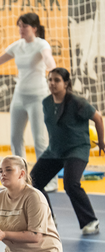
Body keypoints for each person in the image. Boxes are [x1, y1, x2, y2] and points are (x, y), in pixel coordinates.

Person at [0, 14, 58, 191]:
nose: (21, 29)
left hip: (38, 97)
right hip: (19, 97)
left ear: (34, 28)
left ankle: (50, 181)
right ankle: (21, 178)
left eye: (24, 26)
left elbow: (48, 58)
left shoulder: (41, 44)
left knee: (40, 140)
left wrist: (54, 70)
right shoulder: (17, 46)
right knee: (15, 138)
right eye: (19, 26)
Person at [30, 67, 102, 235]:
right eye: (50, 80)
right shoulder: (46, 103)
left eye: (57, 80)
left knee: (71, 184)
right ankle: (48, 218)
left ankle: (91, 221)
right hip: (54, 150)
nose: (52, 83)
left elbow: (98, 118)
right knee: (33, 182)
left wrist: (102, 141)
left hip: (76, 149)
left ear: (66, 83)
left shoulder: (77, 102)